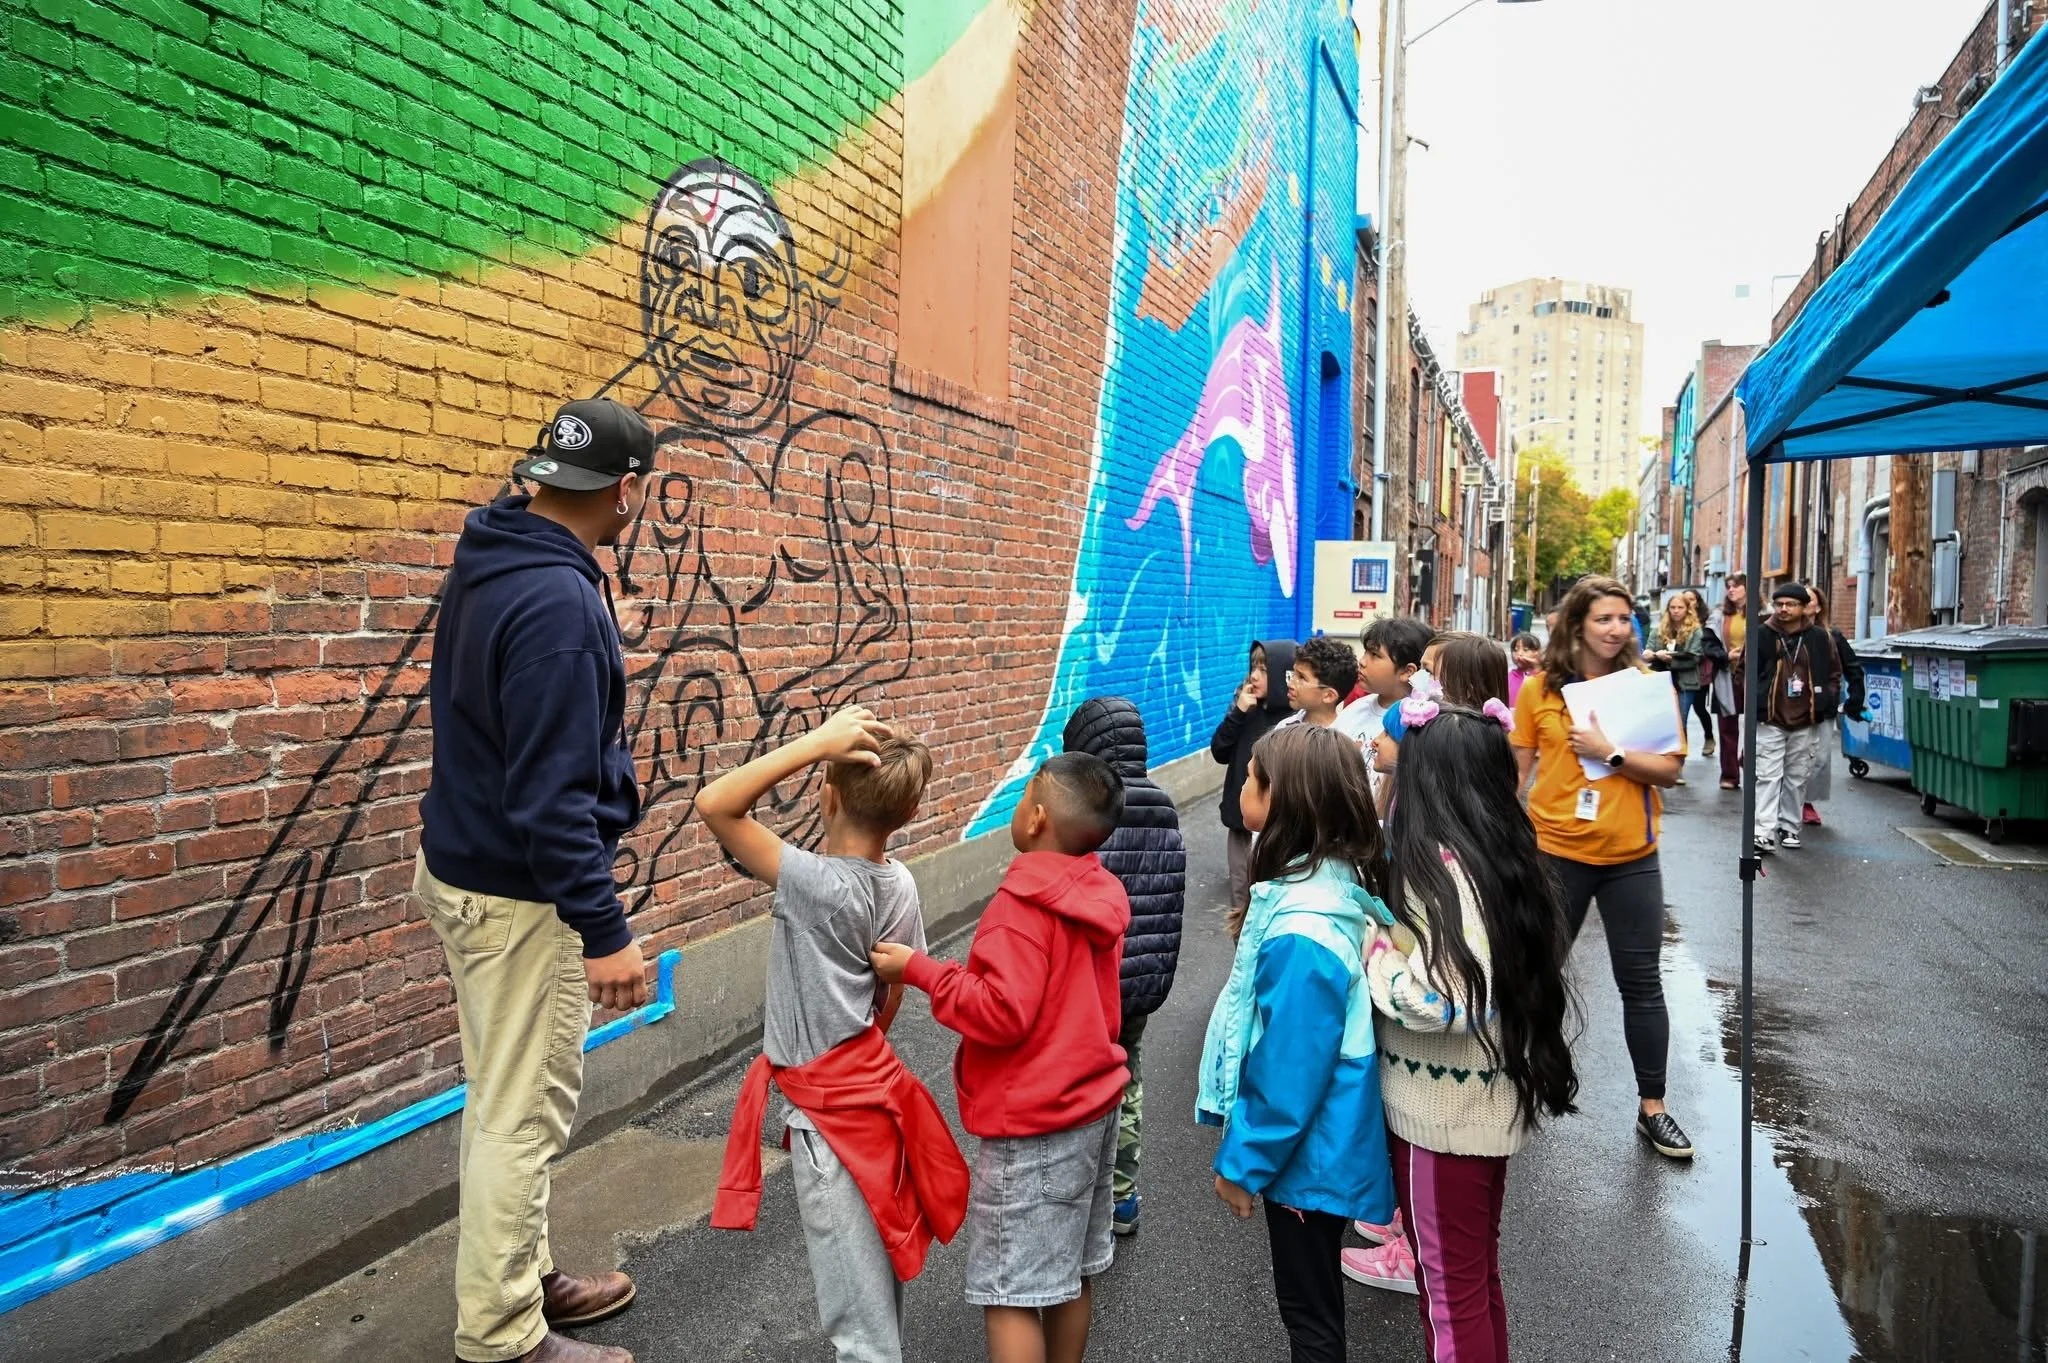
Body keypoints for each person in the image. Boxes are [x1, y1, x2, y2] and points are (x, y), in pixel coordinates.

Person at [416, 398, 655, 1363]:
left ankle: (523, 1270)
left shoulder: (500, 557)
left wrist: (592, 624)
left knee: (499, 1092)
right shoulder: (558, 606)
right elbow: (554, 804)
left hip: (465, 871)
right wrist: (605, 931)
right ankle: (507, 1335)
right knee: (524, 1109)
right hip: (521, 899)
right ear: (626, 491)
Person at [700, 707, 965, 1363]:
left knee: (860, 1324)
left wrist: (814, 742)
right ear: (903, 817)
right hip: (876, 1096)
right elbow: (893, 988)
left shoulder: (810, 880)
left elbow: (716, 804)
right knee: (878, 1275)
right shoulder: (897, 881)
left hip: (831, 1124)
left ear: (827, 795)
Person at [870, 754, 1131, 1363]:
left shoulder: (1020, 910)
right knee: (1070, 1273)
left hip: (1035, 1124)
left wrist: (920, 970)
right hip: (1093, 1107)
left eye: (1021, 800)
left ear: (1037, 819)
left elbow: (999, 1013)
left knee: (1010, 1292)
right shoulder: (1098, 891)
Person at [1339, 704, 1579, 1363]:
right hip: (1480, 1107)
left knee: (1446, 1293)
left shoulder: (1441, 871)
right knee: (1472, 1282)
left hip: (1440, 1119)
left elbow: (1447, 1001)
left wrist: (1374, 949)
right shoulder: (1495, 854)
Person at [1196, 724, 1397, 1363]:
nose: (1242, 785)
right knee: (1313, 1308)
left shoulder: (1302, 928)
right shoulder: (1327, 886)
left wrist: (1242, 1164)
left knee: (1309, 1318)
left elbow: (1290, 1070)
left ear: (1280, 798)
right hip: (1321, 1145)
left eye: (1251, 775)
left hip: (1310, 1159)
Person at [1511, 576, 1692, 1162]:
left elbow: (1668, 771)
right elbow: (1515, 778)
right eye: (1604, 619)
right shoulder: (1539, 691)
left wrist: (1610, 752)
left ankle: (1653, 1109)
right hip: (1556, 853)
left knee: (1640, 982)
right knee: (1537, 974)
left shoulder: (1645, 688)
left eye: (1624, 619)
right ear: (1576, 626)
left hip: (1631, 858)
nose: (1617, 629)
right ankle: (1515, 1084)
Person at [1061, 697, 1187, 1238]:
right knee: (1127, 1077)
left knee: (1077, 1082)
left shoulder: (1089, 806)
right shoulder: (1162, 802)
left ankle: (1076, 1198)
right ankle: (1123, 1195)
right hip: (1143, 979)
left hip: (1089, 982)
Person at [1750, 582, 1842, 854]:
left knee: (1796, 776)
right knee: (1768, 774)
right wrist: (1757, 698)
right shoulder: (1762, 634)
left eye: (1790, 604)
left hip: (1806, 716)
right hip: (1771, 716)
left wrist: (1825, 699)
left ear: (1804, 608)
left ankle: (1789, 826)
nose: (1784, 609)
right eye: (1779, 604)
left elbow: (1834, 673)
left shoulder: (1819, 638)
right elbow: (1745, 670)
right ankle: (1762, 831)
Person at [1212, 640, 1296, 934]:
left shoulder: (1293, 718)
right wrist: (1237, 712)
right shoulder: (1245, 707)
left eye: (1264, 669)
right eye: (1253, 668)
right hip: (1241, 825)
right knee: (1240, 897)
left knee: (1271, 899)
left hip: (1277, 827)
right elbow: (1220, 751)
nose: (1255, 676)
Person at [1795, 586, 1867, 827]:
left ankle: (1806, 801)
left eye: (1809, 602)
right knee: (1792, 756)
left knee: (1820, 758)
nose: (1804, 606)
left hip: (1822, 706)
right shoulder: (1783, 635)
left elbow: (1853, 668)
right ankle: (1790, 804)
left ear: (1818, 607)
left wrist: (1854, 700)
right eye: (1800, 601)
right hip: (1789, 706)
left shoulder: (1831, 636)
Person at [1647, 594, 1705, 784]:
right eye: (1672, 607)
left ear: (1687, 609)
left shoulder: (1695, 631)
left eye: (1680, 607)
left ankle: (1677, 767)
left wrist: (1671, 659)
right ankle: (1657, 764)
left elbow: (1695, 657)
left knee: (1679, 723)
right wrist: (1654, 654)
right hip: (1661, 681)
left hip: (1684, 683)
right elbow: (1649, 650)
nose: (1676, 611)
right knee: (1660, 722)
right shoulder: (1659, 629)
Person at [1710, 575, 1749, 790]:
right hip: (1727, 675)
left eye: (1736, 586)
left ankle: (1748, 759)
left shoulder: (1765, 613)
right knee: (1727, 727)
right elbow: (1709, 644)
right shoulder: (1720, 616)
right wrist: (1726, 656)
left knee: (1760, 726)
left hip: (1756, 676)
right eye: (1728, 587)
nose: (1731, 590)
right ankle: (1730, 774)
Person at [1285, 636, 1360, 731]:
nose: (1290, 684)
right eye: (1293, 673)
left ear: (1329, 695)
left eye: (1302, 677)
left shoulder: (1343, 740)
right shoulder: (1283, 728)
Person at [1682, 590, 1722, 760]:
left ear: (1698, 602)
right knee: (1681, 712)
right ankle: (1682, 749)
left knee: (1699, 707)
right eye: (1686, 600)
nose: (1689, 603)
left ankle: (1709, 737)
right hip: (1683, 671)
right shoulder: (1679, 618)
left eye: (1692, 599)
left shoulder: (1705, 620)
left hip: (1701, 672)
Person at [1507, 632, 1542, 707]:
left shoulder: (1541, 675)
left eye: (1525, 650)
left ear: (1537, 653)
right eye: (1515, 650)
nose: (1519, 654)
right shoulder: (1509, 675)